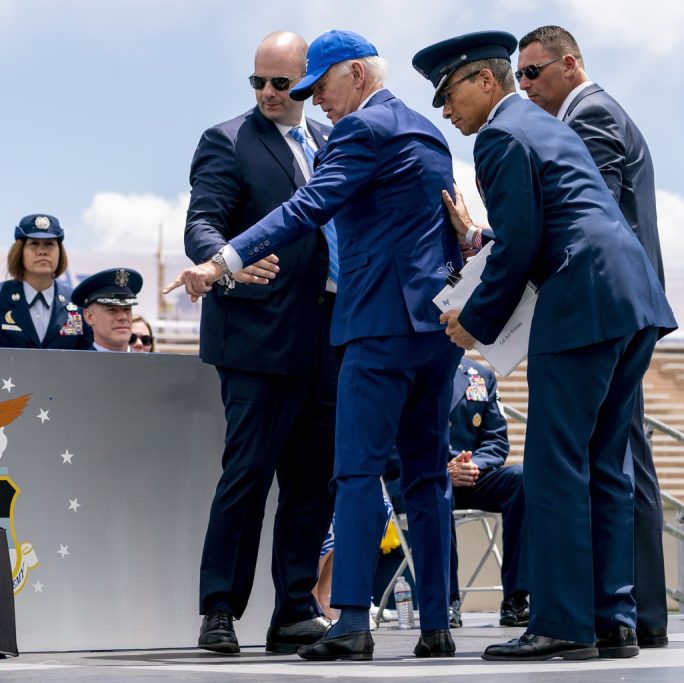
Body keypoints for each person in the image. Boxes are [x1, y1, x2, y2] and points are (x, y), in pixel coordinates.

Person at [168, 29, 461, 661]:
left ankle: (343, 617)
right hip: (377, 334)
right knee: (424, 479)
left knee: (342, 478)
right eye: (265, 83)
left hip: (363, 333)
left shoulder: (350, 133)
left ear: (354, 75)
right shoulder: (428, 132)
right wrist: (214, 254)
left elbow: (306, 207)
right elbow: (445, 223)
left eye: (309, 84)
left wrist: (224, 262)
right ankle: (434, 623)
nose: (302, 97)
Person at [412, 31, 676, 661]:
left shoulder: (502, 136)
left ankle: (561, 622)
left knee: (556, 466)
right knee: (606, 465)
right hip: (631, 298)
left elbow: (522, 242)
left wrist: (473, 321)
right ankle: (612, 619)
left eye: (449, 95)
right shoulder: (548, 125)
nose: (446, 112)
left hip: (580, 303)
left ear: (483, 81)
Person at [181, 31, 337, 656]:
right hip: (256, 339)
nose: (269, 93)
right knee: (246, 476)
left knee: (313, 480)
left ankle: (294, 608)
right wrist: (226, 262)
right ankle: (219, 610)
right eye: (258, 82)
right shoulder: (226, 140)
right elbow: (201, 221)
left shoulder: (332, 141)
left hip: (329, 337)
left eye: (281, 82)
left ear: (307, 81)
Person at [513, 25, 668, 648]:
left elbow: (586, 210)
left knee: (601, 463)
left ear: (570, 64)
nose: (523, 88)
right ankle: (631, 617)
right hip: (628, 309)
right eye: (518, 76)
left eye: (533, 73)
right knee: (620, 460)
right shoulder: (595, 112)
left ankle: (607, 615)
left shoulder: (593, 113)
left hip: (604, 309)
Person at [445, 358, 528, 629]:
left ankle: (517, 599)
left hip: (472, 476)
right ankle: (445, 601)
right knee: (436, 493)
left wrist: (472, 466)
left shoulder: (479, 375)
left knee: (522, 479)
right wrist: (444, 470)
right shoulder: (407, 366)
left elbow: (497, 439)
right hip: (426, 477)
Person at [0, 214, 88, 350]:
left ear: (60, 252)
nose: (42, 251)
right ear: (19, 252)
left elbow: (87, 358)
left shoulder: (76, 302)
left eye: (49, 244)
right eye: (34, 244)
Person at [70, 268, 142, 352]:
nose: (123, 316)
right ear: (89, 317)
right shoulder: (78, 365)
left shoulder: (149, 364)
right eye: (112, 309)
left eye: (127, 309)